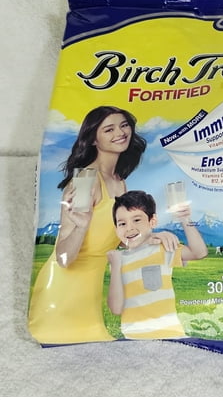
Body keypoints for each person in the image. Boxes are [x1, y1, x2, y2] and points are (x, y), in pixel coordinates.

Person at [28, 105, 179, 344]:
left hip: (91, 288)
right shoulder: (86, 181)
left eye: (124, 125)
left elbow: (115, 237)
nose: (120, 133)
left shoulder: (119, 182)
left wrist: (153, 237)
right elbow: (63, 258)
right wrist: (81, 226)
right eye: (109, 129)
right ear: (93, 140)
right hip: (65, 290)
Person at [107, 190, 208, 340]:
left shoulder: (162, 248)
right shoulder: (118, 261)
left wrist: (185, 219)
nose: (129, 228)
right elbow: (116, 309)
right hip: (133, 338)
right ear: (116, 229)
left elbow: (199, 252)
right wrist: (115, 266)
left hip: (170, 335)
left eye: (137, 220)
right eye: (122, 223)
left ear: (152, 221)